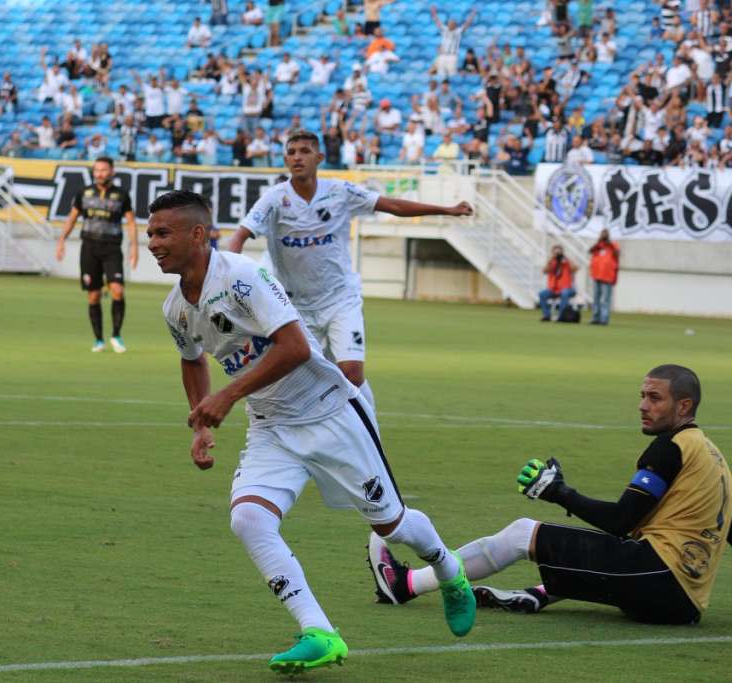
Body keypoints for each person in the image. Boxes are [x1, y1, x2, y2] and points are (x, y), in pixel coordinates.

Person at [149, 190, 476, 674]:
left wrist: (229, 395)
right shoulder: (175, 307)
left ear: (197, 234)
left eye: (162, 233)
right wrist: (201, 419)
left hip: (329, 413)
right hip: (271, 427)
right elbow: (192, 358)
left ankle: (449, 571)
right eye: (151, 233)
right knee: (249, 520)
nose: (153, 243)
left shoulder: (242, 277)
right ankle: (318, 631)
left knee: (391, 525)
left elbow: (297, 347)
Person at [374, 365, 730, 626]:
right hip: (684, 605)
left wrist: (559, 492)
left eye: (655, 398)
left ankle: (406, 585)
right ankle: (538, 593)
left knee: (522, 533)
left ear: (683, 407)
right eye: (642, 396)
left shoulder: (669, 449)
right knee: (599, 553)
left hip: (654, 580)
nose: (642, 405)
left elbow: (620, 522)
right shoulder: (713, 457)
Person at [228, 129, 472, 412]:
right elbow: (241, 234)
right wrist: (228, 276)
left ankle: (369, 434)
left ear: (319, 157)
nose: (297, 157)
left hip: (340, 299)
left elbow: (391, 205)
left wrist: (447, 210)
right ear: (285, 159)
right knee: (299, 381)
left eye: (305, 151)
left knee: (352, 373)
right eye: (292, 152)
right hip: (295, 308)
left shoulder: (340, 191)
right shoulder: (274, 199)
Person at [55, 157, 137, 353]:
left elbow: (131, 222)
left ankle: (116, 336)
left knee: (117, 290)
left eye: (103, 170)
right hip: (89, 247)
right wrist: (61, 240)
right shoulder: (84, 192)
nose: (99, 173)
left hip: (112, 248)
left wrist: (134, 247)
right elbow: (72, 217)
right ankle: (99, 339)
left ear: (112, 172)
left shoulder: (121, 195)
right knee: (94, 295)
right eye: (97, 170)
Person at [538, 244, 577, 322]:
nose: (557, 254)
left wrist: (565, 258)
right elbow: (544, 271)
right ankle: (547, 315)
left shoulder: (566, 262)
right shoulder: (552, 263)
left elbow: (575, 269)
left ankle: (562, 316)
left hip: (567, 288)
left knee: (564, 293)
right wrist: (551, 260)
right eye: (555, 252)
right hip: (554, 289)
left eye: (559, 252)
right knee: (541, 294)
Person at [588, 229, 619, 325]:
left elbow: (617, 254)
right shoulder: (598, 246)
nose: (603, 236)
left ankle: (604, 319)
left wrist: (610, 244)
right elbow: (590, 251)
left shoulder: (613, 245)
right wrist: (599, 243)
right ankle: (595, 318)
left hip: (607, 275)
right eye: (602, 234)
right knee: (596, 298)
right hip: (597, 274)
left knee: (605, 299)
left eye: (605, 234)